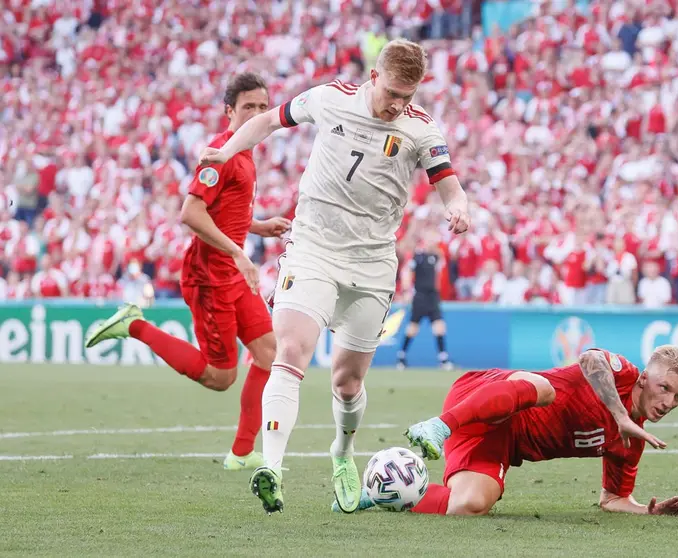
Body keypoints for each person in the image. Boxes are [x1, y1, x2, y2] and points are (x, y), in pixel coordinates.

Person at [198, 39, 471, 515]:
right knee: (290, 351)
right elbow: (267, 120)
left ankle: (342, 452)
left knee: (347, 382)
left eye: (406, 96)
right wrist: (225, 152)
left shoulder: (421, 129)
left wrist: (458, 207)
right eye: (391, 92)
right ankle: (273, 468)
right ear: (373, 77)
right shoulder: (330, 98)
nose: (397, 104)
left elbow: (447, 180)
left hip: (371, 265)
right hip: (313, 251)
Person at [85, 72, 291, 472]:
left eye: (263, 108)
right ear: (229, 111)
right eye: (249, 107)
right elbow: (191, 213)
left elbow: (225, 212)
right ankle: (134, 325)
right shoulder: (221, 152)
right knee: (220, 377)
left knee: (269, 353)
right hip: (209, 276)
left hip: (231, 270)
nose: (258, 115)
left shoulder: (246, 154)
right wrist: (240, 253)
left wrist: (258, 226)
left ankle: (242, 452)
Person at [342, 345, 678, 517]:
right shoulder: (622, 374)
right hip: (487, 396)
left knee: (471, 504)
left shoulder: (629, 440)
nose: (669, 401)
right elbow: (591, 358)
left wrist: (648, 512)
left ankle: (383, 493)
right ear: (643, 378)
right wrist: (620, 413)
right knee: (545, 388)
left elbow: (614, 500)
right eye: (665, 388)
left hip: (501, 440)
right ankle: (437, 426)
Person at [397, 232, 453, 370]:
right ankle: (402, 356)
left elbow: (441, 260)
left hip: (433, 296)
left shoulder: (435, 256)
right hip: (420, 296)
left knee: (439, 327)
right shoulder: (418, 257)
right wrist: (406, 291)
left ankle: (443, 358)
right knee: (413, 328)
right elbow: (407, 272)